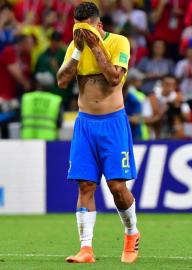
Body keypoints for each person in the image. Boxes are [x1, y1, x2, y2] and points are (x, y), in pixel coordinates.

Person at [56, 2, 140, 264]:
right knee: (85, 184)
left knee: (116, 187)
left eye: (86, 29)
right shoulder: (75, 46)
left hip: (113, 124)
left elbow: (114, 78)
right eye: (77, 29)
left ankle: (131, 234)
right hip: (85, 124)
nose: (81, 34)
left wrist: (94, 45)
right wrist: (79, 50)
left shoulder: (118, 42)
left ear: (99, 25)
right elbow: (62, 80)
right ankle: (86, 248)